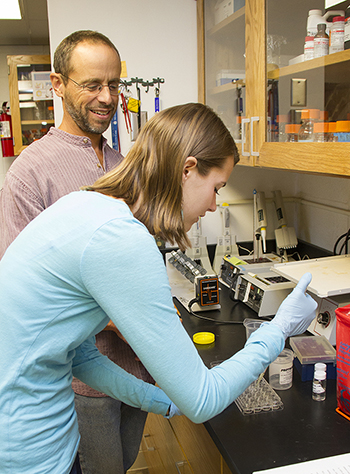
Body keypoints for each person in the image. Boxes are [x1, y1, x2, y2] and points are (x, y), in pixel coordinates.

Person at [0, 102, 317, 474]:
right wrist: (278, 329)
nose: (214, 206)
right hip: (32, 454)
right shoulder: (119, 238)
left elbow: (79, 356)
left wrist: (161, 400)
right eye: (216, 187)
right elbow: (202, 400)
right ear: (187, 170)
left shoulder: (83, 205)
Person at [0, 30, 153, 474]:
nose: (106, 97)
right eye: (92, 85)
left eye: (114, 85)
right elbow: (21, 293)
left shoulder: (123, 164)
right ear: (58, 84)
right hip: (84, 373)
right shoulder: (30, 172)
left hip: (136, 362)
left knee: (123, 464)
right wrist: (122, 319)